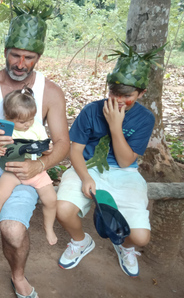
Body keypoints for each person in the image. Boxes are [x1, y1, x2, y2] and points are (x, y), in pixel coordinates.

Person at [0, 4, 70, 298]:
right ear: (5, 50)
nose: (20, 63)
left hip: (25, 172)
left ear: (39, 57)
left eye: (29, 57)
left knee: (12, 229)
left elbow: (62, 143)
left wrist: (40, 166)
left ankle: (17, 274)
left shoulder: (50, 92)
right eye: (15, 54)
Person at [56, 42, 160, 278]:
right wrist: (84, 178)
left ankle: (125, 246)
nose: (118, 100)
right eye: (114, 93)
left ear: (141, 93)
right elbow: (75, 151)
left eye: (127, 96)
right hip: (87, 166)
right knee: (62, 209)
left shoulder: (145, 118)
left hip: (125, 172)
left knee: (141, 236)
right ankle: (80, 241)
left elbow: (125, 162)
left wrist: (115, 126)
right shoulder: (91, 111)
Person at [0, 88, 57, 246]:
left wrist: (47, 149)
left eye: (31, 119)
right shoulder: (2, 131)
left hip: (36, 171)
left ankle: (49, 228)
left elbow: (46, 148)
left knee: (51, 200)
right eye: (22, 122)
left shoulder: (37, 127)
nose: (28, 125)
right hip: (13, 171)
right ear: (8, 118)